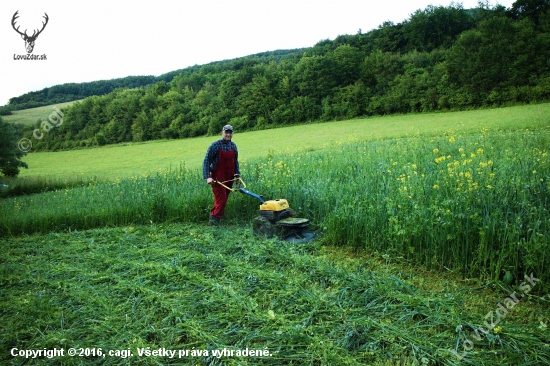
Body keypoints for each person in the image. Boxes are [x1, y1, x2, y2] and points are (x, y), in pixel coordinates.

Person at [202, 125, 241, 225]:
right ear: (222, 132)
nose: (228, 134)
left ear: (232, 133)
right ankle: (214, 224)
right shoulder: (215, 145)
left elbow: (235, 161)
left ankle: (212, 217)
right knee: (222, 200)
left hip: (229, 178)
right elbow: (206, 161)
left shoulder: (233, 146)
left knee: (222, 199)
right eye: (226, 132)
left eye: (230, 132)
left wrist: (237, 174)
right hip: (217, 178)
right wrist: (208, 177)